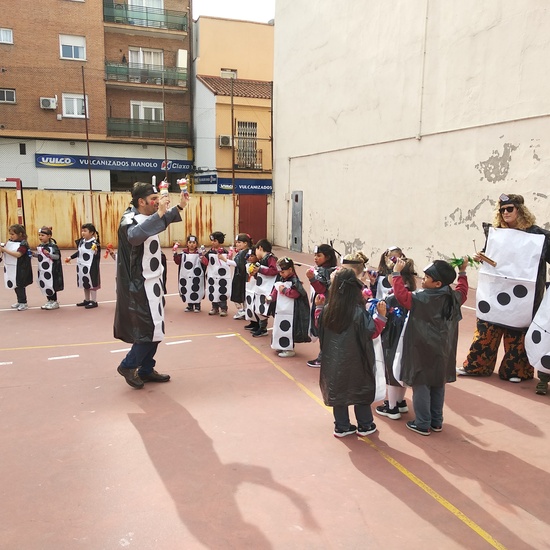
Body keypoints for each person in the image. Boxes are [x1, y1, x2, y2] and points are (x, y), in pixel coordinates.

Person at [458, 193, 550, 388]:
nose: (505, 213)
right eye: (502, 210)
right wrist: (481, 257)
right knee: (486, 329)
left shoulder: (538, 235)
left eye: (509, 209)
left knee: (517, 331)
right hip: (494, 291)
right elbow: (491, 257)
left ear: (520, 210)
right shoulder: (496, 233)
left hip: (525, 295)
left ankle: (516, 370)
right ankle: (477, 366)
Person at [114, 181, 189, 389]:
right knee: (147, 328)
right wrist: (160, 214)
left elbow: (160, 220)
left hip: (153, 281)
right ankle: (128, 365)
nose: (157, 203)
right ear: (141, 201)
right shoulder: (128, 220)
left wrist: (180, 206)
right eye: (153, 200)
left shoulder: (148, 216)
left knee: (156, 328)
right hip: (138, 284)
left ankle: (146, 369)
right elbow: (135, 236)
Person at [392, 257, 468, 435]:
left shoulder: (420, 298)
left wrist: (396, 274)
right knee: (438, 384)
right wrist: (463, 272)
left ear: (437, 283)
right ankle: (436, 421)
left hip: (422, 348)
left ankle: (422, 423)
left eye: (426, 277)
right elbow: (462, 290)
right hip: (443, 349)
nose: (423, 279)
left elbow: (401, 296)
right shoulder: (453, 297)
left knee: (421, 385)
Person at [317, 268, 387, 437]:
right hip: (357, 360)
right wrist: (381, 316)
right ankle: (365, 425)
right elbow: (372, 332)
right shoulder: (358, 312)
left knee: (338, 392)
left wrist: (318, 308)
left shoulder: (328, 310)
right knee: (360, 391)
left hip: (333, 361)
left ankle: (341, 426)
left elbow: (320, 331)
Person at [376, 258, 417, 420]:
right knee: (401, 371)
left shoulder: (393, 298)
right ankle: (400, 402)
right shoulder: (413, 292)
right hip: (406, 338)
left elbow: (382, 315)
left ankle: (392, 407)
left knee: (391, 373)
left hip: (392, 338)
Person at [267, 257, 311, 357]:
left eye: (282, 272)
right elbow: (276, 288)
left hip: (292, 311)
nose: (280, 274)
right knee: (279, 326)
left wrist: (284, 291)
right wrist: (271, 297)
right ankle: (281, 344)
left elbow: (296, 294)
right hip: (282, 309)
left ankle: (289, 348)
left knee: (288, 328)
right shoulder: (282, 278)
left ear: (290, 270)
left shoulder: (294, 281)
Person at [305, 244, 338, 367]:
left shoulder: (328, 271)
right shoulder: (320, 269)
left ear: (328, 257)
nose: (315, 258)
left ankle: (323, 357)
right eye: (315, 255)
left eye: (319, 255)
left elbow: (322, 289)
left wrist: (312, 279)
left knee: (323, 330)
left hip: (325, 305)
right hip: (320, 303)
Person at [65, 223, 101, 309]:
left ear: (92, 232)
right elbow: (79, 252)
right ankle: (87, 300)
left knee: (92, 283)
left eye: (85, 231)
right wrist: (70, 257)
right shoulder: (82, 241)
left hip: (91, 266)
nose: (83, 233)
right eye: (82, 231)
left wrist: (96, 251)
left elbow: (96, 256)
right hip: (82, 265)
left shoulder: (95, 243)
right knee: (85, 282)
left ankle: (94, 301)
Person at [249, 239, 278, 337]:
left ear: (260, 248)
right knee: (259, 307)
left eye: (256, 250)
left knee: (267, 308)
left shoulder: (271, 258)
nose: (255, 253)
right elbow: (261, 275)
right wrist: (254, 273)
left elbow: (274, 270)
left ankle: (264, 328)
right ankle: (262, 327)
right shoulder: (261, 260)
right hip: (261, 288)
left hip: (269, 289)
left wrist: (260, 269)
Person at [0, 224, 33, 311]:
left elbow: (18, 254)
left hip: (21, 268)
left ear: (20, 234)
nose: (11, 236)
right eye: (10, 234)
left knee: (20, 285)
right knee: (14, 284)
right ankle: (19, 301)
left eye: (13, 234)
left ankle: (23, 302)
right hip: (11, 267)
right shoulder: (10, 241)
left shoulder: (23, 243)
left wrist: (4, 250)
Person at [202, 231, 231, 317]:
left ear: (219, 241)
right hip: (212, 274)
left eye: (215, 241)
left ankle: (223, 308)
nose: (212, 243)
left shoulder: (224, 252)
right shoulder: (210, 251)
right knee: (213, 290)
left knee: (222, 290)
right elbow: (206, 262)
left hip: (222, 276)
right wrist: (202, 257)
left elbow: (227, 263)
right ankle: (214, 307)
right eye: (212, 241)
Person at [34, 226, 64, 310]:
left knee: (51, 284)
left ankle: (54, 301)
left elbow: (57, 257)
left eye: (42, 235)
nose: (40, 237)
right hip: (43, 269)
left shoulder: (53, 246)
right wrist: (34, 255)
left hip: (52, 270)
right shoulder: (40, 246)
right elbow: (41, 256)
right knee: (45, 284)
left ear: (49, 236)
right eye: (39, 235)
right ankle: (49, 300)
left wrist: (49, 255)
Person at [174, 235, 205, 312]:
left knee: (196, 287)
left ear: (196, 244)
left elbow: (204, 262)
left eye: (194, 242)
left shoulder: (199, 253)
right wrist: (175, 253)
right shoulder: (183, 253)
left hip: (196, 275)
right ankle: (190, 305)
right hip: (186, 275)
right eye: (190, 242)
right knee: (187, 287)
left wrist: (202, 256)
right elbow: (177, 261)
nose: (192, 244)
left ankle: (197, 305)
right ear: (187, 243)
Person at [226, 233, 253, 320]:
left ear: (245, 243)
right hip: (240, 275)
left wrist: (224, 260)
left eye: (239, 242)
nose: (237, 244)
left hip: (242, 277)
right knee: (241, 294)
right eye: (236, 242)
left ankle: (243, 309)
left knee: (241, 293)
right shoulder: (242, 252)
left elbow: (237, 264)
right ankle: (244, 309)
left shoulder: (244, 253)